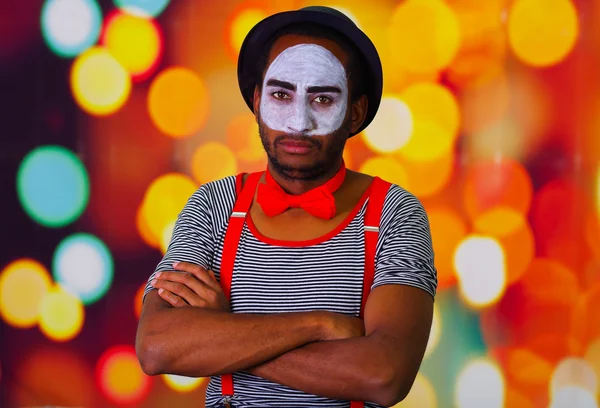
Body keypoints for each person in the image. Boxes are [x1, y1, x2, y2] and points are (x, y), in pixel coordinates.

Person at [136, 6, 437, 408]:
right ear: (258, 100)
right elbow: (157, 346)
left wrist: (220, 334)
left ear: (356, 112)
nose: (298, 122)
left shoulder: (393, 213)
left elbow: (383, 375)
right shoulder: (213, 206)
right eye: (281, 94)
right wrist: (321, 325)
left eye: (323, 98)